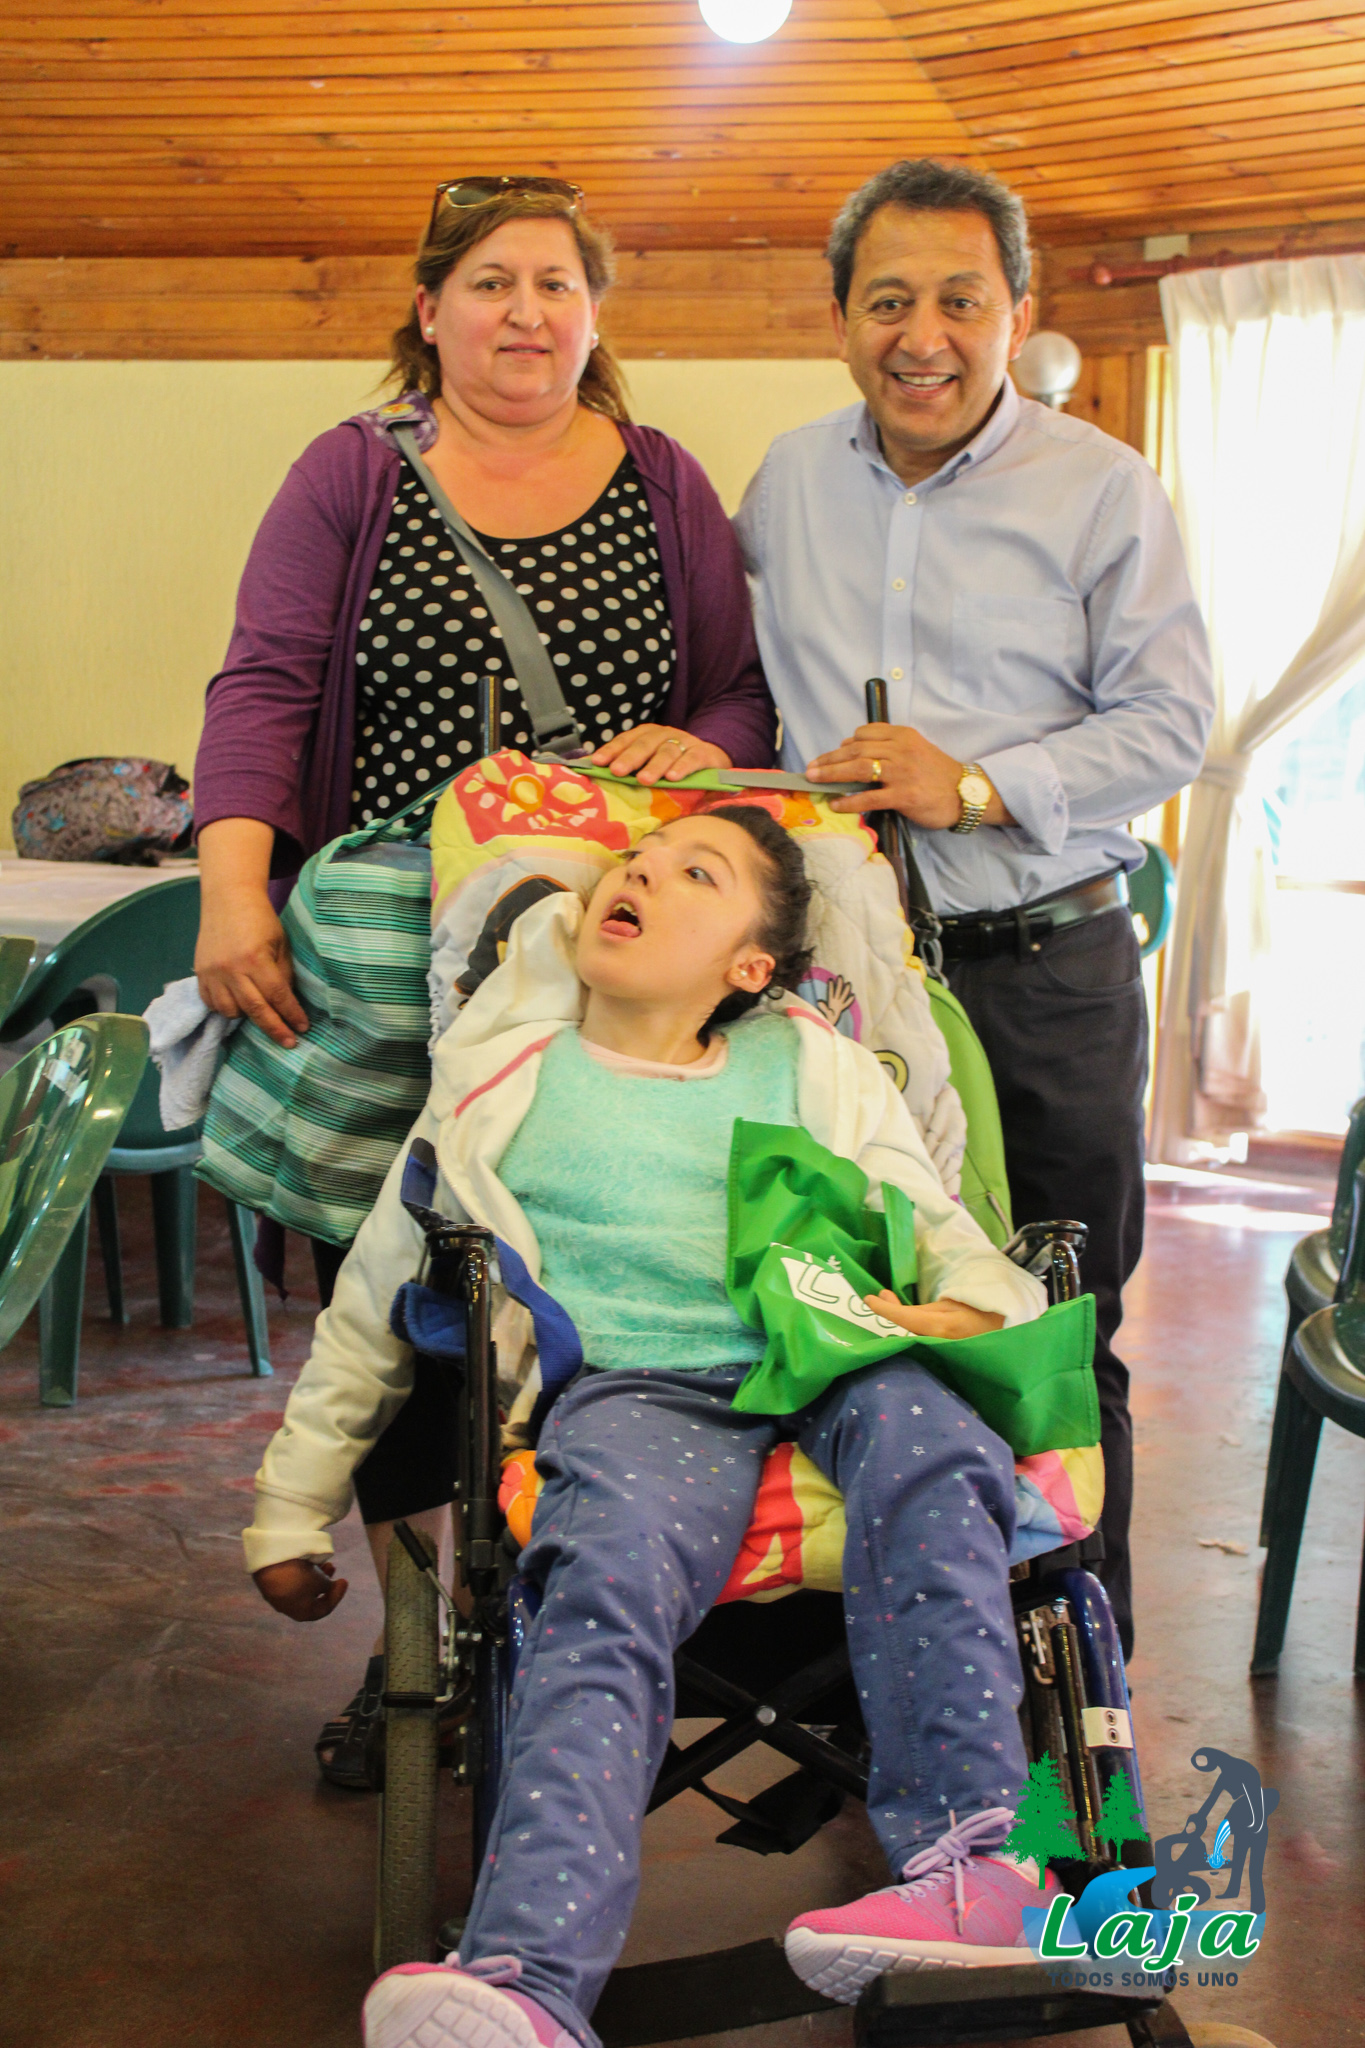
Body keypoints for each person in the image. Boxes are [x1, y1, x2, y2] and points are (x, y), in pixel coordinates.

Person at [245, 804, 1064, 2048]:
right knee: (602, 1573)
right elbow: (370, 1302)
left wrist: (976, 1305)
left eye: (698, 872)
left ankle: (979, 1870)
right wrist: (290, 1506)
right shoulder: (503, 1081)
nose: (640, 873)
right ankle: (527, 1975)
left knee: (937, 1440)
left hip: (833, 1344)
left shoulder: (815, 1064)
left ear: (752, 962)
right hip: (637, 1385)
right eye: (635, 861)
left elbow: (933, 1220)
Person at [192, 176, 777, 1777]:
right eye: (493, 281)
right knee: (393, 1293)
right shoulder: (351, 472)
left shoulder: (662, 480)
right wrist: (232, 890)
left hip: (603, 957)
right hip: (394, 958)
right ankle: (411, 1659)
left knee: (580, 1277)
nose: (527, 310)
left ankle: (567, 1625)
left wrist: (698, 745)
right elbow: (266, 681)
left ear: (594, 316)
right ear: (432, 310)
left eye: (557, 284)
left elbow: (738, 698)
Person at [734, 159, 1215, 1658]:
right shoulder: (786, 483)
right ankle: (884, 1679)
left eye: (960, 299)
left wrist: (982, 786)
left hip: (1045, 972)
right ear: (840, 318)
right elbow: (746, 686)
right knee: (858, 1314)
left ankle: (1081, 1690)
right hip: (841, 992)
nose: (922, 335)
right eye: (888, 301)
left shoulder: (1101, 488)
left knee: (1059, 1327)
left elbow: (1172, 723)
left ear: (1018, 310)